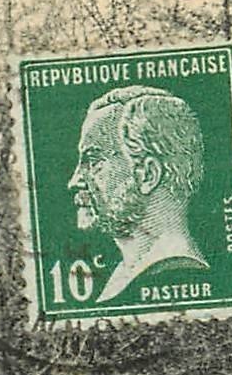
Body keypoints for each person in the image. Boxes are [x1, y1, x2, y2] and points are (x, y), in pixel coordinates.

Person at [67, 85, 208, 302]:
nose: (74, 181)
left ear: (148, 175)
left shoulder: (174, 273)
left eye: (93, 161)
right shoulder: (126, 275)